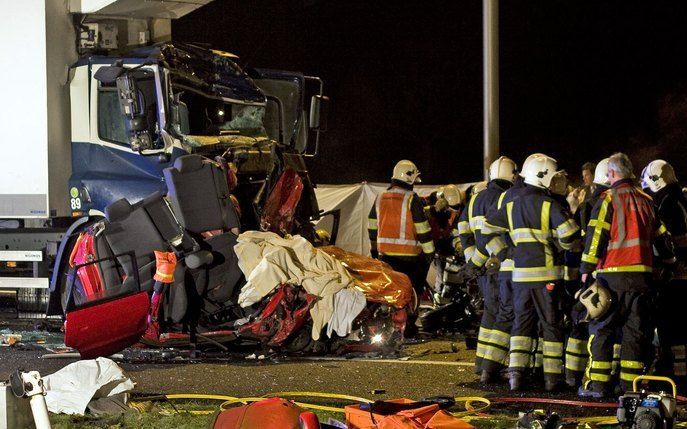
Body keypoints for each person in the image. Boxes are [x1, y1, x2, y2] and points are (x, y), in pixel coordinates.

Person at [578, 153, 675, 398]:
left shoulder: (608, 199)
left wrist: (585, 269)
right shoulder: (647, 200)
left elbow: (596, 236)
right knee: (635, 334)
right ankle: (630, 388)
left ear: (611, 174)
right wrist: (670, 262)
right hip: (642, 279)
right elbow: (663, 237)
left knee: (602, 329)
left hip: (611, 277)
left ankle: (598, 386)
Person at [484, 154, 580, 392]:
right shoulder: (550, 205)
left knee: (521, 326)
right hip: (547, 277)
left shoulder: (511, 203)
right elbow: (570, 236)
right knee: (551, 325)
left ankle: (516, 376)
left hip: (520, 278)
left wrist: (505, 253)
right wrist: (562, 245)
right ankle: (552, 379)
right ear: (543, 176)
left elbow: (487, 229)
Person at [459, 156, 517, 382]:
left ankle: (482, 363)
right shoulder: (504, 198)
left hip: (482, 269)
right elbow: (488, 236)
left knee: (490, 314)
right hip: (500, 266)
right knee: (504, 314)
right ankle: (490, 367)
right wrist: (481, 259)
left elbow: (464, 232)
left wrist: (472, 260)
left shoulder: (474, 199)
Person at [368, 160, 435, 337]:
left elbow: (372, 224)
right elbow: (423, 228)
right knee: (410, 294)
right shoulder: (411, 199)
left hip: (386, 257)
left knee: (389, 294)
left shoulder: (380, 197)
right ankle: (408, 327)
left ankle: (388, 327)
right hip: (410, 259)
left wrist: (375, 250)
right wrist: (430, 253)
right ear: (410, 177)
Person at [641, 160, 687, 389]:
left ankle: (673, 377)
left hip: (674, 276)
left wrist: (665, 266)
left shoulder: (666, 203)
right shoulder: (682, 198)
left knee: (670, 327)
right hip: (682, 275)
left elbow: (665, 241)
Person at [425, 185, 465, 296]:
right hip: (434, 249)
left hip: (448, 247)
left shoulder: (459, 211)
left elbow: (455, 230)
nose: (453, 213)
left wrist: (458, 245)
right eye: (450, 209)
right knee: (440, 275)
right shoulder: (431, 212)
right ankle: (439, 296)